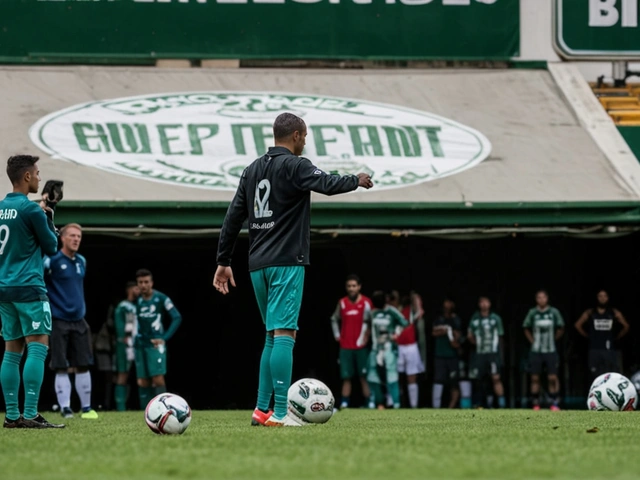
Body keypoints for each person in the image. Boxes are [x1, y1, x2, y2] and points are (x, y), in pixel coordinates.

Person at [213, 112, 373, 427]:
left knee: (272, 336)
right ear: (297, 135)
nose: (305, 142)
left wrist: (223, 261)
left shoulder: (251, 170)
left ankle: (261, 410)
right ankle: (283, 413)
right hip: (286, 262)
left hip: (257, 265)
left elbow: (233, 217)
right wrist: (357, 180)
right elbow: (327, 183)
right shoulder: (296, 165)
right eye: (305, 136)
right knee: (285, 334)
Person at [0, 155, 64, 428]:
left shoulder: (1, 208)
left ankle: (12, 416)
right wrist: (49, 215)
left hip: (4, 288)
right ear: (26, 177)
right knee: (37, 348)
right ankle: (30, 414)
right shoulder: (31, 210)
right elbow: (51, 246)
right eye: (37, 173)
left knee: (11, 351)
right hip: (29, 286)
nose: (39, 177)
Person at [44, 222, 99, 419]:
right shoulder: (51, 260)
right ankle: (66, 408)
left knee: (83, 363)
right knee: (60, 364)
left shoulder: (82, 261)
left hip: (79, 319)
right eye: (72, 236)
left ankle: (86, 408)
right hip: (59, 319)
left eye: (79, 236)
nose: (76, 239)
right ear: (63, 238)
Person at [134, 269, 182, 409]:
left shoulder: (161, 298)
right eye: (140, 282)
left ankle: (162, 409)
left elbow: (177, 317)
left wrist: (164, 338)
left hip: (155, 344)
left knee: (157, 378)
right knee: (142, 381)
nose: (144, 285)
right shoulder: (137, 300)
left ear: (152, 283)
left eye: (146, 282)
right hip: (140, 344)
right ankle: (146, 412)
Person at [330, 274, 373, 409]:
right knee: (346, 377)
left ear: (359, 287)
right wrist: (338, 336)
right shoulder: (342, 303)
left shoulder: (366, 303)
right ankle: (344, 402)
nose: (351, 289)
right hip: (345, 346)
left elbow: (372, 321)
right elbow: (334, 319)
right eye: (349, 286)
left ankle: (369, 402)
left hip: (361, 346)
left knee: (363, 376)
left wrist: (368, 336)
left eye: (354, 286)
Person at [522, 290, 565, 411]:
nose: (541, 300)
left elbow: (561, 327)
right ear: (536, 299)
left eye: (543, 297)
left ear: (547, 299)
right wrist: (532, 341)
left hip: (550, 350)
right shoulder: (533, 313)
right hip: (536, 351)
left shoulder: (553, 312)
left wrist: (554, 338)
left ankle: (555, 402)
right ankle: (536, 403)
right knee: (535, 377)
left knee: (552, 377)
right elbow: (525, 327)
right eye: (539, 298)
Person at [366, 291, 409, 409]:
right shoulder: (372, 313)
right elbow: (367, 327)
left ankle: (396, 404)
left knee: (392, 375)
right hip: (376, 348)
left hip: (389, 348)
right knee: (372, 375)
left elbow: (404, 322)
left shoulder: (391, 311)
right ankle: (377, 402)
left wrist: (396, 333)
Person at [575, 290, 630, 381]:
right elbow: (577, 325)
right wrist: (587, 336)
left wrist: (617, 337)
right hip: (594, 348)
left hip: (609, 349)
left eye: (605, 296)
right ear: (597, 298)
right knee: (594, 375)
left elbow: (626, 326)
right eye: (600, 296)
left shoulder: (613, 312)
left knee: (609, 374)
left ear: (608, 298)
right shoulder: (590, 312)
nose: (602, 298)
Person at [467, 296, 506, 409]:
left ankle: (501, 403)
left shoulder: (495, 318)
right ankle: (479, 404)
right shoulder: (475, 319)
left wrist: (500, 355)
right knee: (479, 379)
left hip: (493, 353)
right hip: (480, 353)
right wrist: (475, 342)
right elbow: (469, 334)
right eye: (481, 302)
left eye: (486, 302)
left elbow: (500, 337)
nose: (484, 304)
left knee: (496, 378)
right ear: (479, 304)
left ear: (489, 303)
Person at [113, 281, 139, 411]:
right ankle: (120, 408)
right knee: (123, 374)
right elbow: (120, 326)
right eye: (136, 288)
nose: (139, 290)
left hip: (138, 344)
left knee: (143, 376)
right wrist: (124, 340)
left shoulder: (139, 305)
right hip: (126, 346)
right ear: (130, 289)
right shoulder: (123, 306)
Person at [432, 298, 463, 409]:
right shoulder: (439, 319)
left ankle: (451, 407)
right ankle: (436, 407)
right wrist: (444, 331)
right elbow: (433, 332)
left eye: (449, 303)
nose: (447, 305)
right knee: (438, 381)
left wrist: (455, 338)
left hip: (452, 356)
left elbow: (458, 337)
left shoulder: (456, 320)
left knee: (454, 383)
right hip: (440, 355)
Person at [397, 292, 425, 408]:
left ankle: (414, 406)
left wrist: (414, 297)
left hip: (411, 347)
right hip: (398, 346)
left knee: (412, 376)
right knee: (395, 376)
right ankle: (394, 404)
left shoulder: (411, 310)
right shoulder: (394, 310)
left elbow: (420, 311)